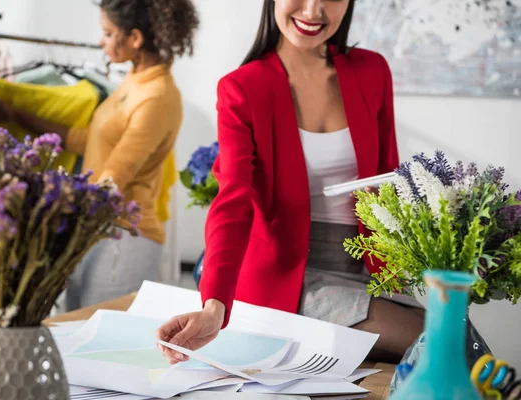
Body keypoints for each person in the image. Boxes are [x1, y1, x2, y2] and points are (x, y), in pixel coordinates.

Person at [156, 0, 425, 365]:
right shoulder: (242, 88)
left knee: (460, 338)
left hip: (371, 266)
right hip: (291, 276)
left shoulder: (372, 71)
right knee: (439, 346)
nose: (313, 10)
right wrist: (214, 304)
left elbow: (388, 181)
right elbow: (232, 203)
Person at [0, 0, 199, 310]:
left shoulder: (157, 96)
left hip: (125, 237)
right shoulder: (135, 80)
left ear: (136, 38)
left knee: (93, 340)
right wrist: (18, 115)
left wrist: (49, 217)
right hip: (100, 229)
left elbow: (115, 175)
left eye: (108, 32)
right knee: (75, 327)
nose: (101, 40)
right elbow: (90, 141)